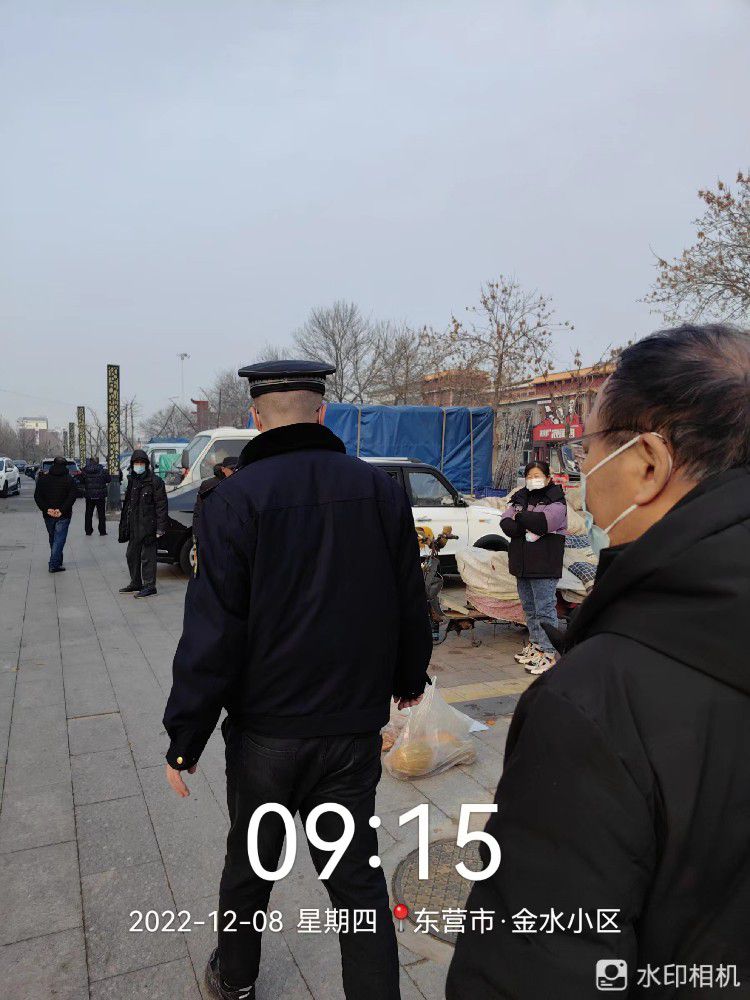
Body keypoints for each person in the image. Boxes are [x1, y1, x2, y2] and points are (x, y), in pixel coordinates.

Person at [447, 323, 750, 1000]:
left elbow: (532, 968)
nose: (581, 471)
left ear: (647, 463)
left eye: (586, 450)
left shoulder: (599, 700)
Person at [163, 360, 432, 1000]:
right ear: (323, 413)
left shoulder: (232, 500)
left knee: (251, 867)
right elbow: (408, 599)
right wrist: (408, 679)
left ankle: (235, 981)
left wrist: (185, 738)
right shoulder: (379, 491)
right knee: (357, 882)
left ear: (256, 419)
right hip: (350, 731)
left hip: (266, 736)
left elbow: (213, 631)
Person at [500, 460, 567, 675]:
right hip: (522, 564)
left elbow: (544, 523)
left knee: (545, 610)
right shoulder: (521, 496)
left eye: (537, 476)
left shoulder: (556, 500)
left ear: (548, 478)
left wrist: (520, 517)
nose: (533, 480)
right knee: (530, 609)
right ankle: (537, 645)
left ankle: (549, 652)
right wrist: (525, 522)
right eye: (529, 476)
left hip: (544, 564)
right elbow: (506, 524)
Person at [118, 449, 167, 598]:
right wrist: (124, 525)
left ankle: (149, 586)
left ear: (146, 464)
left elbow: (161, 506)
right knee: (131, 555)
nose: (139, 465)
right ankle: (136, 583)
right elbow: (128, 505)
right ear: (132, 464)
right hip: (134, 527)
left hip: (148, 527)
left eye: (141, 463)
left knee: (148, 558)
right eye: (136, 463)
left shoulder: (155, 482)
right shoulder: (132, 481)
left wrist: (160, 528)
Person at [34, 455, 78, 572]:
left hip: (48, 515)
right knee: (59, 539)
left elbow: (37, 496)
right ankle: (54, 564)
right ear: (65, 466)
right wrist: (61, 510)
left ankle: (57, 560)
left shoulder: (43, 479)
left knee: (53, 538)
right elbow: (72, 496)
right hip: (64, 515)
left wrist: (46, 509)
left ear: (53, 464)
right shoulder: (69, 479)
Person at [192, 456, 238, 534]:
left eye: (237, 469)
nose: (234, 472)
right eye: (232, 469)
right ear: (223, 469)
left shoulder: (241, 484)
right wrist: (197, 534)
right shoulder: (209, 485)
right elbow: (199, 511)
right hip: (214, 530)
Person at [80, 454, 111, 536]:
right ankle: (102, 531)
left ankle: (88, 531)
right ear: (98, 461)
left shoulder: (85, 471)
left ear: (90, 461)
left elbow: (81, 481)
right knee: (101, 514)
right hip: (100, 496)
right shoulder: (103, 470)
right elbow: (108, 480)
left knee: (88, 514)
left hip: (89, 495)